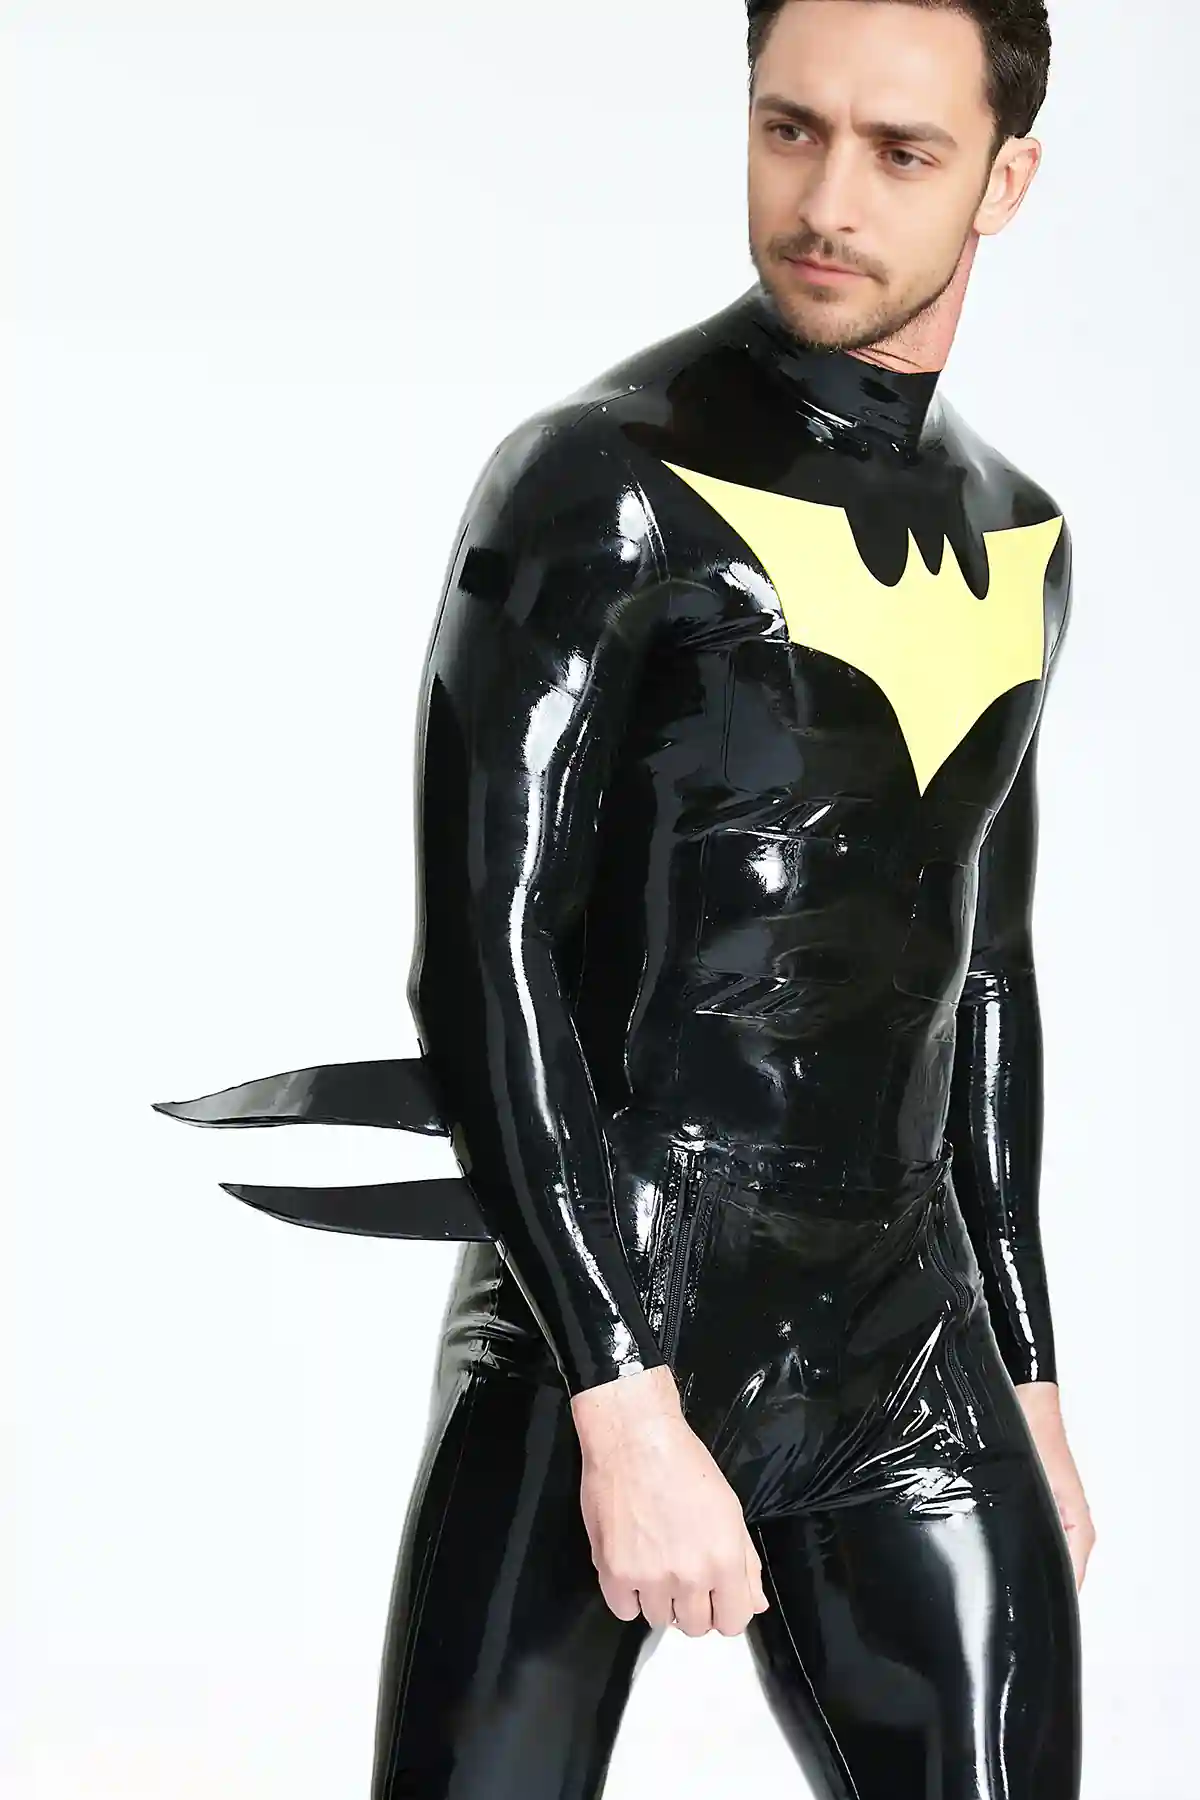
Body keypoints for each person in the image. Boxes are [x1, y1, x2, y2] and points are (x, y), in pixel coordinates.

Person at [154, 2, 1097, 1794]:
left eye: (902, 152)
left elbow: (985, 969)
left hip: (904, 1332)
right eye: (789, 127)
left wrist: (1029, 1376)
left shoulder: (1019, 534)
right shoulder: (601, 481)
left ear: (1005, 179)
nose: (827, 199)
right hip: (606, 1291)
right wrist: (619, 1394)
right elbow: (482, 953)